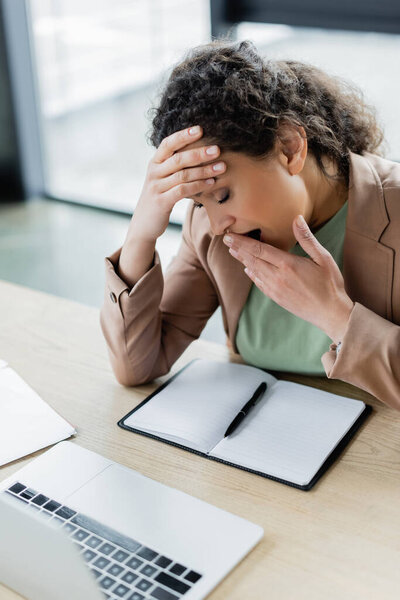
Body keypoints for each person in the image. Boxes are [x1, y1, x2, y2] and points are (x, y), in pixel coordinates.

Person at [100, 39, 400, 411]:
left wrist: (335, 316)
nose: (217, 223)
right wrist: (141, 235)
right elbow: (137, 366)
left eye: (223, 195)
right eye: (198, 202)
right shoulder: (209, 231)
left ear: (290, 148)